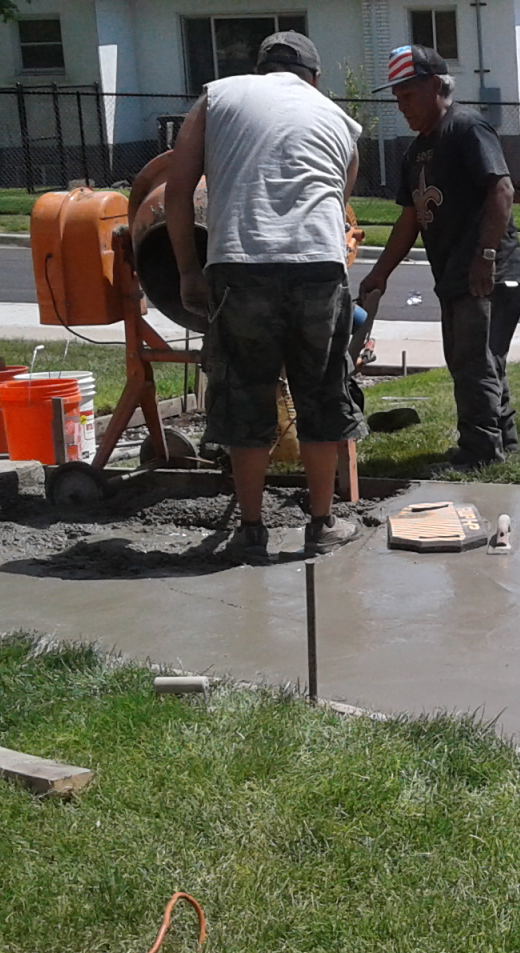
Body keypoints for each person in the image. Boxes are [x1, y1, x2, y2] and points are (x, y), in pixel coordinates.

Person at [165, 30, 363, 563]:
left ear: (260, 71)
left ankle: (251, 529)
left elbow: (177, 190)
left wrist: (187, 268)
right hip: (318, 268)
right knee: (321, 393)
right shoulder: (340, 120)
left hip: (241, 264)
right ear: (314, 79)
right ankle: (321, 524)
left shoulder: (218, 97)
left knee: (246, 393)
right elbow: (338, 200)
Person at [357, 45, 520, 470]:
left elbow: (502, 190)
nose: (403, 107)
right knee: (477, 361)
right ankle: (503, 442)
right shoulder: (416, 152)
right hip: (453, 273)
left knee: (474, 364)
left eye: (408, 96)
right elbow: (411, 218)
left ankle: (479, 452)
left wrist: (485, 256)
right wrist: (379, 274)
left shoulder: (467, 129)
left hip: (487, 271)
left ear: (435, 85)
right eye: (397, 99)